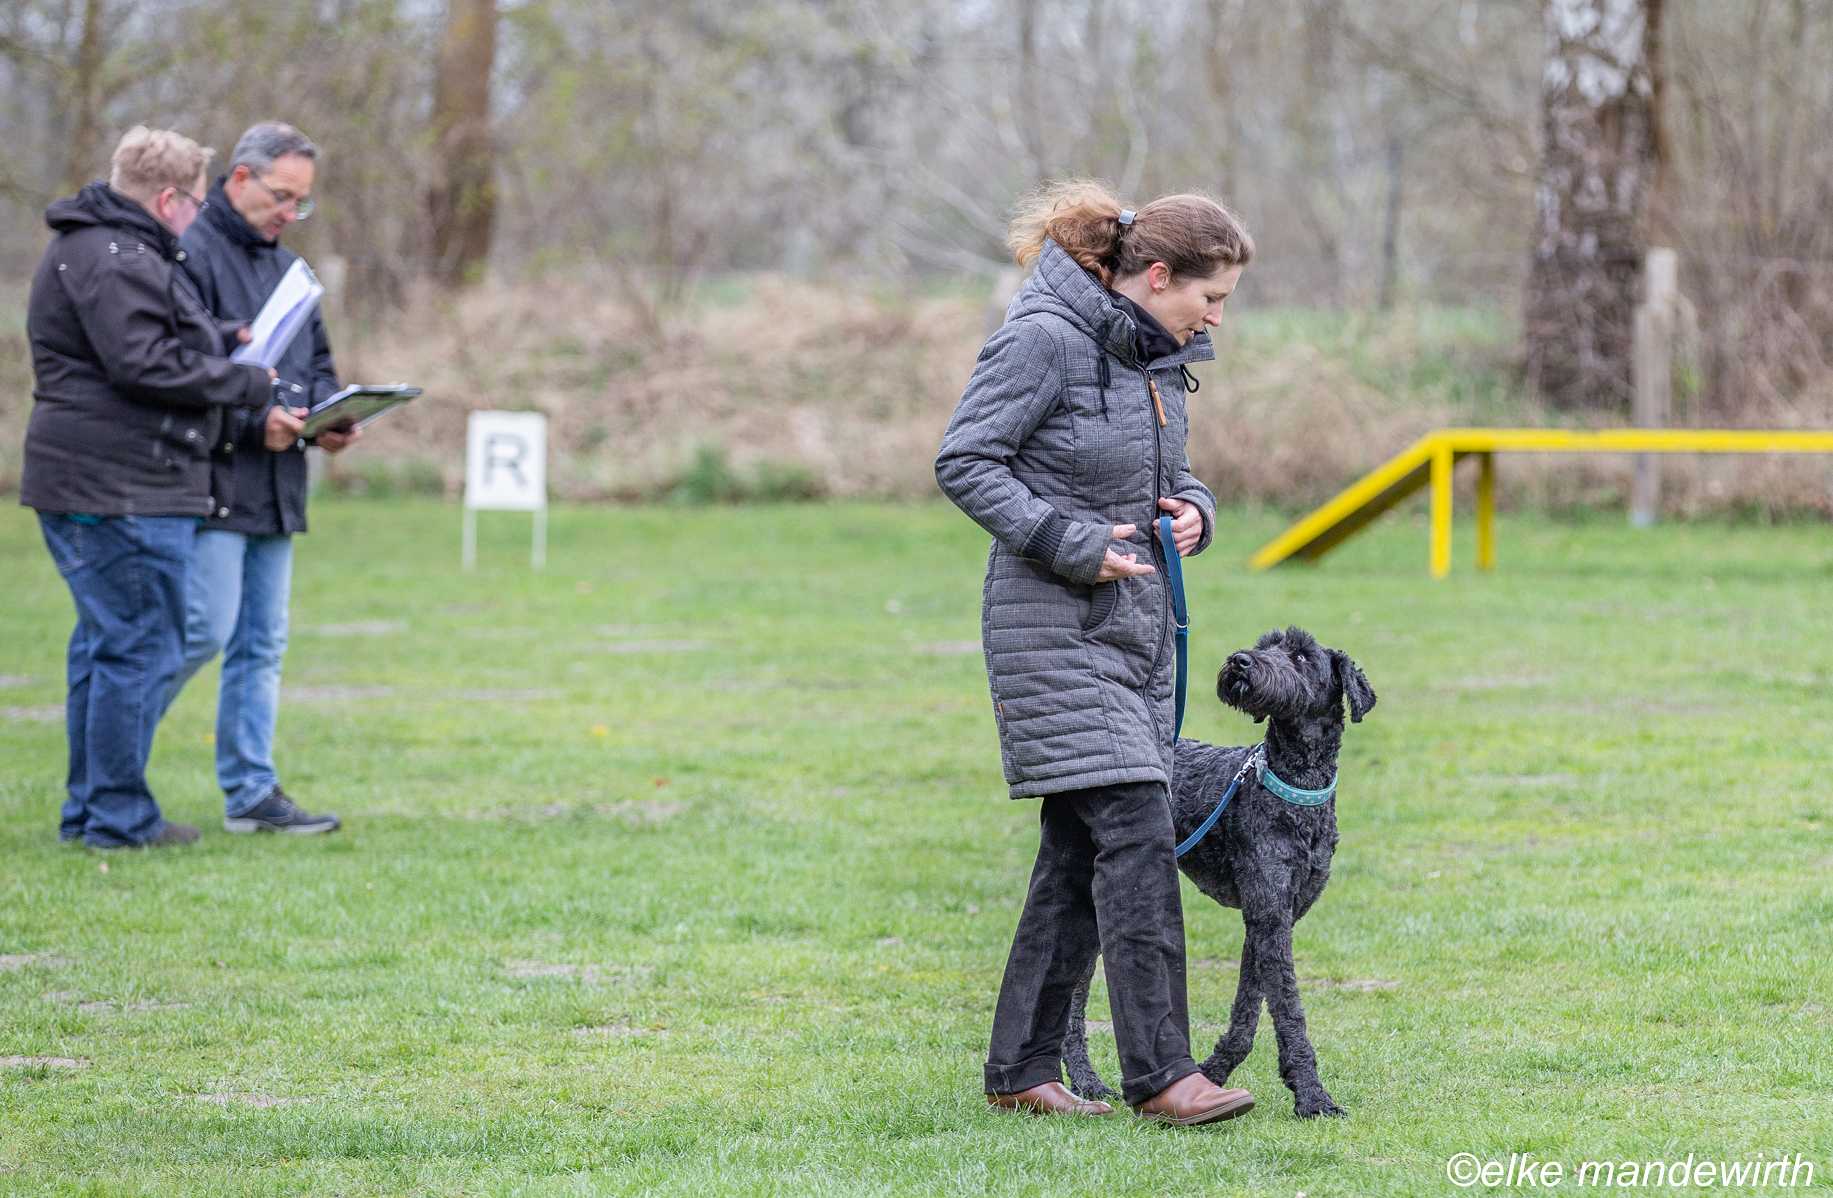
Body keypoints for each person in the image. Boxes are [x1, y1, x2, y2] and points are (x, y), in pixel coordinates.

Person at [935, 181, 1256, 1124]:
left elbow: (1165, 471)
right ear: (1156, 276)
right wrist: (1070, 543)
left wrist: (1194, 509)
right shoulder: (1043, 339)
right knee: (1137, 833)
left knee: (1076, 857)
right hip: (1051, 628)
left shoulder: (1153, 356)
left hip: (1132, 633)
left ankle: (1020, 1069)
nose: (1216, 318)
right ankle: (1163, 1075)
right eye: (1209, 297)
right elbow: (965, 460)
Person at [21, 126, 276, 849]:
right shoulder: (117, 257)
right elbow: (143, 365)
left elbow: (138, 344)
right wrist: (246, 383)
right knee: (138, 647)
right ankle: (118, 817)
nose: (196, 217)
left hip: (97, 479)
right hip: (121, 486)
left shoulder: (99, 248)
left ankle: (92, 811)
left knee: (107, 646)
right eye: (195, 203)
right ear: (168, 200)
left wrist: (222, 339)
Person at [160, 121, 355, 836]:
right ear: (240, 178)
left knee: (262, 645)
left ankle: (251, 792)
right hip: (210, 481)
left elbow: (316, 362)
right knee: (201, 633)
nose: (290, 213)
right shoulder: (187, 255)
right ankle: (105, 763)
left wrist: (330, 415)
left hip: (278, 484)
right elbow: (178, 371)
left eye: (302, 202)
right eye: (282, 197)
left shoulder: (290, 269)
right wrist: (254, 424)